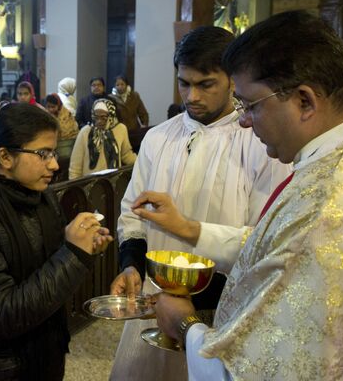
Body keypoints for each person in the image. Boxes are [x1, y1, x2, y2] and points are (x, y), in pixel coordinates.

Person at [150, 10, 343, 381]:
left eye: (250, 105)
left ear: (305, 101)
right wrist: (189, 228)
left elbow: (257, 372)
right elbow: (276, 243)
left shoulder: (329, 205)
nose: (244, 121)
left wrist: (185, 327)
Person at [109, 26, 292, 380]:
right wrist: (130, 264)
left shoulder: (259, 142)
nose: (191, 96)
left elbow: (261, 239)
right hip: (158, 299)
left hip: (225, 307)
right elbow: (133, 214)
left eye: (205, 84)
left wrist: (192, 309)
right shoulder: (158, 138)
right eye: (183, 83)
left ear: (231, 80)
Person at [0, 103, 113, 379]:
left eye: (54, 153)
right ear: (5, 156)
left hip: (43, 352)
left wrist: (80, 245)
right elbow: (0, 313)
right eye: (43, 154)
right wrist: (72, 254)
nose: (54, 164)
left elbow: (47, 267)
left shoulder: (39, 195)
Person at [69, 99, 136, 179]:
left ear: (111, 115)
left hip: (113, 179)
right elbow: (75, 166)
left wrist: (141, 161)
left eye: (103, 117)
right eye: (96, 117)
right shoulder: (85, 132)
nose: (99, 121)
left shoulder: (120, 129)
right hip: (90, 183)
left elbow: (126, 154)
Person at [110, 75, 149, 151]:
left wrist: (144, 125)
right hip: (119, 132)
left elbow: (143, 112)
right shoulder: (111, 98)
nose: (120, 87)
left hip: (134, 130)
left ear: (126, 85)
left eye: (122, 84)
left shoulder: (134, 96)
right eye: (117, 85)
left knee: (135, 151)